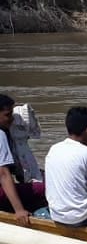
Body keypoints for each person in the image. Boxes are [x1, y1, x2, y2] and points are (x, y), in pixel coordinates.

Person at [0, 94, 46, 225]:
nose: (12, 119)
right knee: (46, 188)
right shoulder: (1, 135)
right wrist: (19, 210)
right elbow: (3, 174)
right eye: (7, 115)